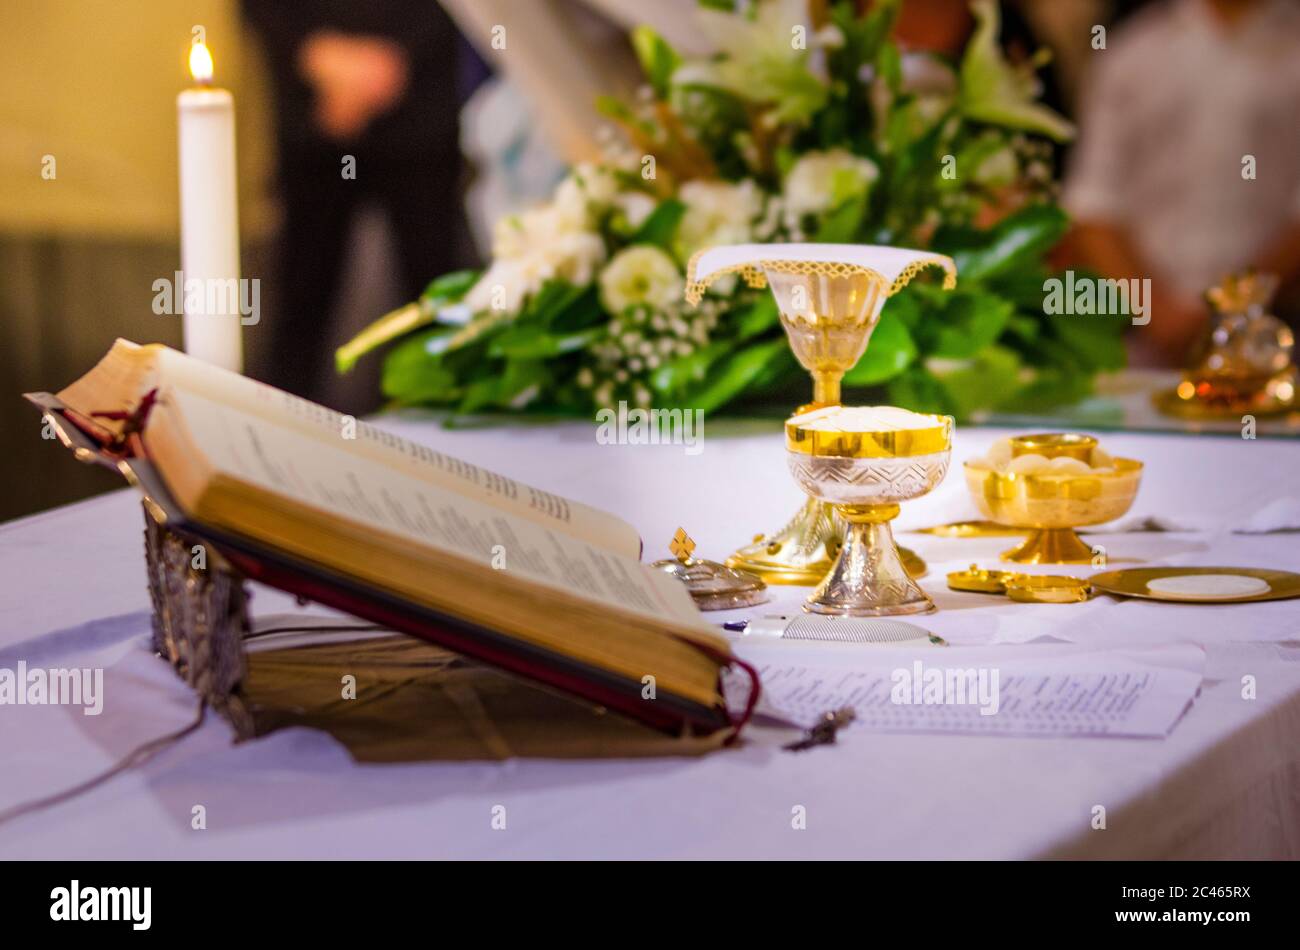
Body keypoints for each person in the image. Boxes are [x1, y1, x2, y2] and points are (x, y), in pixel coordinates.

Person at [242, 1, 471, 402]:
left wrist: (384, 64)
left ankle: (449, 439)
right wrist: (318, 54)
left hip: (420, 114)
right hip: (316, 114)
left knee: (437, 296)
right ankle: (271, 443)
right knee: (300, 301)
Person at [1063, 0, 1300, 364]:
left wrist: (1232, 307)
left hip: (1275, 333)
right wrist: (1158, 314)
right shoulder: (1137, 48)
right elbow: (1093, 203)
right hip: (1146, 337)